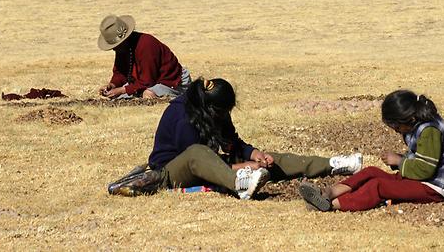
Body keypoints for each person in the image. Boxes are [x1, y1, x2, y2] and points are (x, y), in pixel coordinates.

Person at [108, 77, 363, 199]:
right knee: (200, 152)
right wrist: (241, 167)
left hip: (210, 162)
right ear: (210, 109)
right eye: (223, 112)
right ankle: (240, 183)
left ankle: (332, 164)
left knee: (271, 161)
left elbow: (232, 141)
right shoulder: (182, 116)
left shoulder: (215, 111)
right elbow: (199, 163)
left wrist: (254, 155)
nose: (225, 116)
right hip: (172, 170)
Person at [298, 89, 444, 212]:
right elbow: (423, 159)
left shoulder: (430, 131)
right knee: (371, 172)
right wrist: (401, 160)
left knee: (378, 186)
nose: (397, 131)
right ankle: (328, 193)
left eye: (396, 127)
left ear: (409, 119)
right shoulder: (419, 123)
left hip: (431, 189)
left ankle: (331, 205)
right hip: (417, 180)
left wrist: (399, 161)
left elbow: (425, 170)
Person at [97, 14, 190, 99]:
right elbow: (120, 72)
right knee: (117, 97)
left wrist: (122, 90)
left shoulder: (146, 44)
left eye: (116, 46)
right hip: (145, 82)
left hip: (172, 82)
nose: (114, 49)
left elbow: (148, 81)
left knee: (148, 94)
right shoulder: (123, 48)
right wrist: (113, 85)